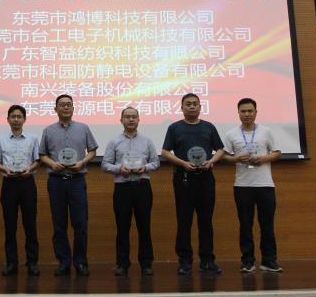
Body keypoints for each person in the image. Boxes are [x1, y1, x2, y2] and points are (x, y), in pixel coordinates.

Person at [161, 93, 225, 275]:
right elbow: (165, 152)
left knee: (206, 221)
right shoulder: (174, 128)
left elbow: (220, 149)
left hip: (205, 178)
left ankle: (207, 260)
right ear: (181, 107)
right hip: (183, 179)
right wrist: (182, 163)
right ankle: (185, 262)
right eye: (187, 104)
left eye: (195, 104)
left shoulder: (208, 127)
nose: (191, 107)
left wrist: (211, 161)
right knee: (184, 221)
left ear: (200, 107)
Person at [221, 97, 283, 273]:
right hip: (242, 186)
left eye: (250, 111)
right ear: (238, 113)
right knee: (245, 225)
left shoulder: (266, 131)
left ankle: (269, 261)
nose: (247, 114)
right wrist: (235, 159)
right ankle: (247, 261)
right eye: (243, 111)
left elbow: (277, 153)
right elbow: (223, 155)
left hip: (265, 185)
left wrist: (264, 159)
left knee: (267, 225)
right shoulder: (231, 134)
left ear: (256, 112)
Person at [39, 94, 98, 276]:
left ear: (73, 108)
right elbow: (42, 155)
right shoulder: (48, 130)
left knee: (80, 223)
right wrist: (52, 163)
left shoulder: (83, 128)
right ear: (55, 109)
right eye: (62, 105)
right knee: (59, 224)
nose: (66, 107)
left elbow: (93, 151)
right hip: (56, 182)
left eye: (69, 105)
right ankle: (64, 262)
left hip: (77, 181)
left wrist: (82, 162)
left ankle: (80, 262)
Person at [101, 107, 160, 276]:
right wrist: (119, 169)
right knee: (122, 227)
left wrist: (145, 168)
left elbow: (156, 162)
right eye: (127, 117)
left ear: (139, 120)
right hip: (123, 187)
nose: (131, 119)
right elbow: (105, 164)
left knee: (144, 226)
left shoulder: (147, 141)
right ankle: (122, 264)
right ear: (121, 120)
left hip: (142, 186)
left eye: (134, 117)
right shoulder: (114, 142)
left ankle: (146, 264)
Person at [0, 104, 41, 276]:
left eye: (19, 116)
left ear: (24, 119)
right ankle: (11, 263)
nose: (16, 119)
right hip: (9, 184)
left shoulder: (33, 139)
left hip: (27, 183)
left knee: (30, 224)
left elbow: (37, 160)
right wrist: (4, 169)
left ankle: (32, 262)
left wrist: (30, 169)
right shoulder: (0, 139)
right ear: (8, 119)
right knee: (10, 225)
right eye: (13, 116)